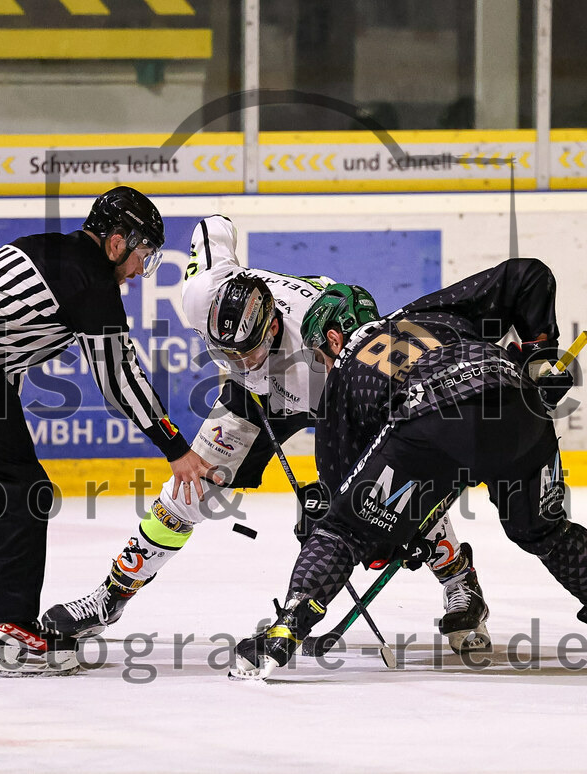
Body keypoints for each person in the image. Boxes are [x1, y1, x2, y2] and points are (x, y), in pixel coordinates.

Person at [41, 215, 491, 654]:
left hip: (332, 393)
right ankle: (111, 596)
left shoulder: (336, 356)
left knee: (389, 483)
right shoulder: (201, 294)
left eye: (248, 353)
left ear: (273, 326)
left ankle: (459, 579)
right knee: (188, 491)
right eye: (226, 354)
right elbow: (213, 225)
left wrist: (344, 508)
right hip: (252, 399)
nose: (239, 363)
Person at [231, 259, 587, 680]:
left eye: (319, 356)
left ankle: (284, 632)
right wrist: (539, 356)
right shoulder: (427, 314)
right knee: (546, 531)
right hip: (519, 406)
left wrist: (381, 538)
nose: (323, 366)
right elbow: (527, 275)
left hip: (432, 422)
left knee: (340, 532)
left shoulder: (345, 371)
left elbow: (350, 514)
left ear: (332, 338)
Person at [0, 186, 211, 678]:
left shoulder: (39, 246)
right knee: (22, 491)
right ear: (116, 242)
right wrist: (175, 447)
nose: (140, 270)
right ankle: (15, 639)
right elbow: (119, 380)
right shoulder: (91, 280)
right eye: (143, 255)